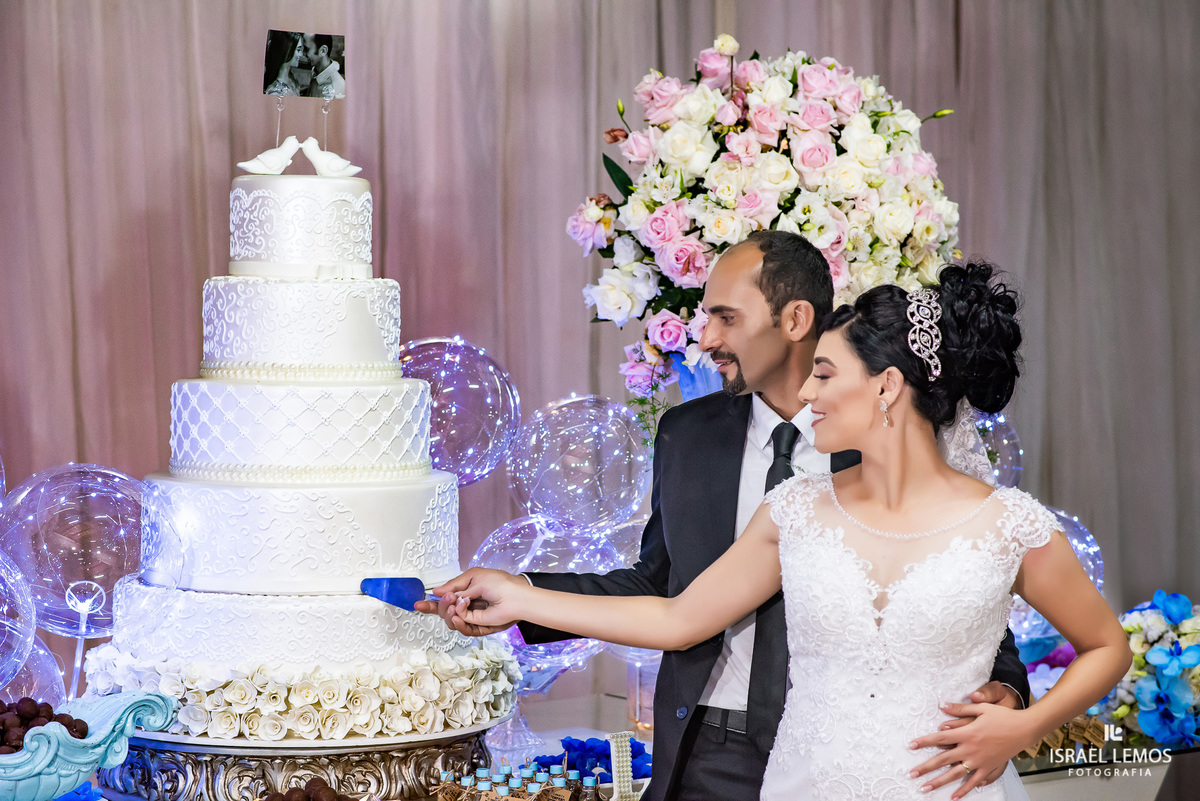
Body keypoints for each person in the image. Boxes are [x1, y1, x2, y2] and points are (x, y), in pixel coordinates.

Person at [419, 233, 1034, 801]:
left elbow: (966, 590)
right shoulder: (687, 435)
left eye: (725, 317)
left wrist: (1007, 690)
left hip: (858, 755)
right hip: (707, 746)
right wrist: (523, 594)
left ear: (794, 320)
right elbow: (664, 590)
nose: (705, 339)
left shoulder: (889, 446)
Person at [303, 34, 345, 100]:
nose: (303, 54)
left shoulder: (335, 87)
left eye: (306, 49)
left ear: (323, 51)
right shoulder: (316, 73)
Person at [263, 31, 303, 96]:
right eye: (298, 50)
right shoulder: (275, 92)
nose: (301, 54)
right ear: (287, 50)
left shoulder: (292, 78)